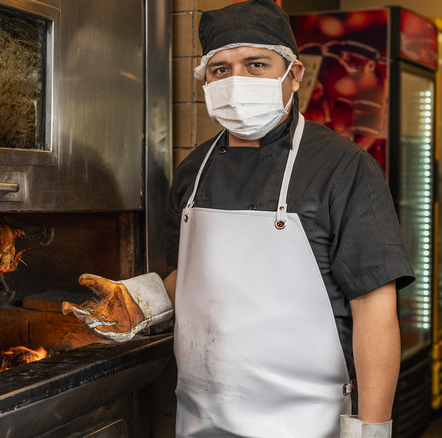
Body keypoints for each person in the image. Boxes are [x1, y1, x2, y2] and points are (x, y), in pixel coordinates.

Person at [62, 0, 415, 437]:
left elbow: (374, 307)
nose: (236, 81)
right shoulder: (193, 170)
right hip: (201, 415)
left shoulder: (343, 169)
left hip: (306, 420)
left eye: (256, 64)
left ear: (294, 75)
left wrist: (372, 429)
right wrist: (140, 303)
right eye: (220, 70)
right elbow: (191, 275)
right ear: (206, 81)